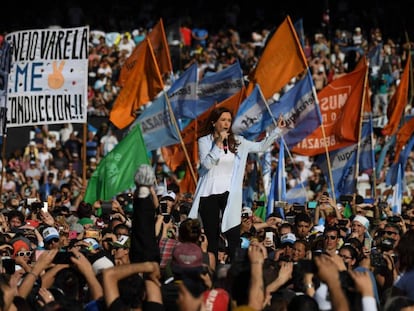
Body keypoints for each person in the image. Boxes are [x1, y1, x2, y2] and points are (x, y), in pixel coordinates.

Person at [188, 107, 286, 261]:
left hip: (230, 193)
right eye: (223, 120)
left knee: (233, 233)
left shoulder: (238, 141)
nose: (226, 123)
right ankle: (213, 270)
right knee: (212, 236)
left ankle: (234, 271)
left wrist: (277, 130)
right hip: (209, 193)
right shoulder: (205, 141)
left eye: (228, 120)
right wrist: (218, 143)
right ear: (214, 123)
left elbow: (261, 147)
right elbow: (206, 165)